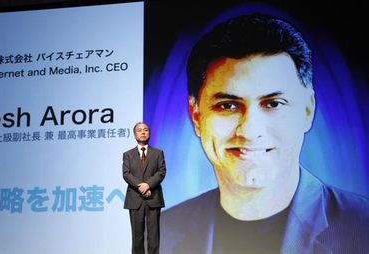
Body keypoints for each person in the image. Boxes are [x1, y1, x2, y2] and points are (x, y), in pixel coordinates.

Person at [160, 13, 369, 254]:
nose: (249, 130)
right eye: (228, 105)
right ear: (196, 116)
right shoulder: (157, 233)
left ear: (308, 109)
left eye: (273, 104)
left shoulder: (362, 227)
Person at [123, 122, 166, 254]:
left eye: (145, 130)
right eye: (139, 130)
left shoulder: (158, 153)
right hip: (135, 199)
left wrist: (148, 185)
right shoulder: (128, 154)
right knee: (137, 237)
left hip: (153, 198)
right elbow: (126, 174)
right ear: (135, 134)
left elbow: (161, 172)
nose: (143, 132)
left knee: (153, 237)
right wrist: (141, 187)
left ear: (149, 133)